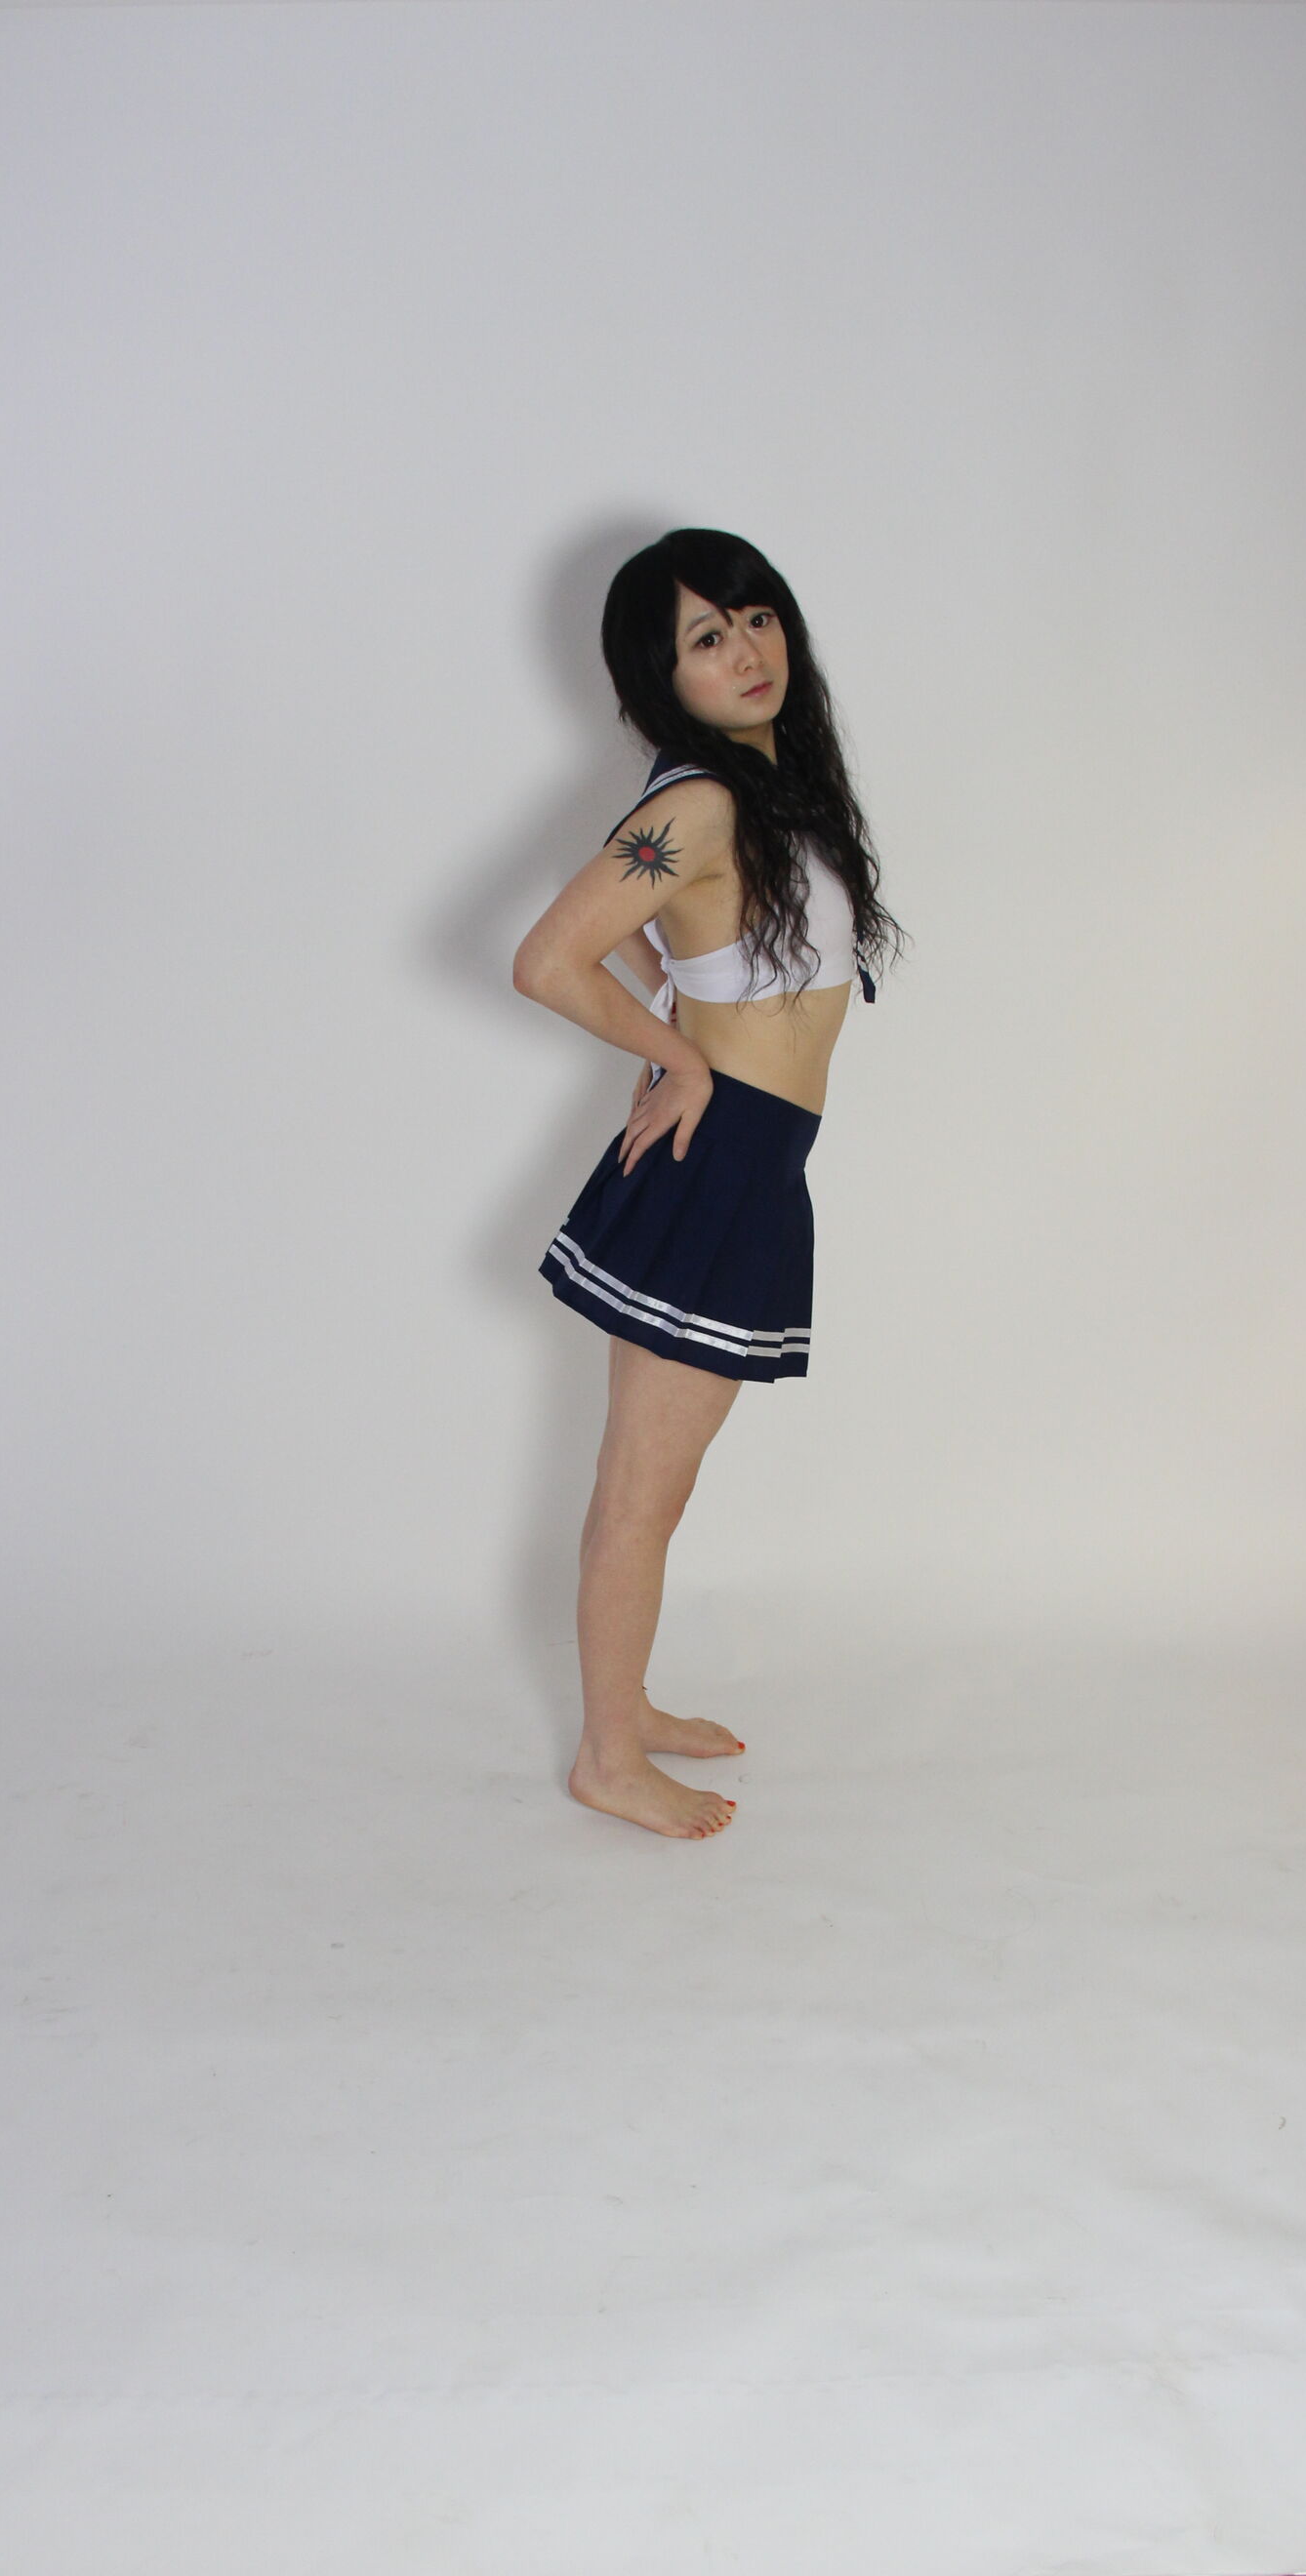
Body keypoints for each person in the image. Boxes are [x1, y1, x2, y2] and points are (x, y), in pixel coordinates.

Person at [512, 528, 906, 1843]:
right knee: (641, 1486)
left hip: (754, 1162)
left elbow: (669, 936)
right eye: (705, 637)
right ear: (661, 674)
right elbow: (550, 958)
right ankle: (606, 1758)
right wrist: (678, 1053)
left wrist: (678, 1004)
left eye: (753, 618)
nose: (744, 651)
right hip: (715, 1164)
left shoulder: (770, 787)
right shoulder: (697, 807)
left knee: (659, 1486)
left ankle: (622, 1706)